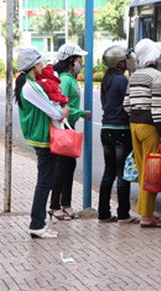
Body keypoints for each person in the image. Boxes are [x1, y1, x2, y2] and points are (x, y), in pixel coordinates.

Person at [14, 47, 70, 239]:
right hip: (43, 138)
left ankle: (39, 223)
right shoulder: (31, 86)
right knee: (45, 182)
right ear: (33, 65)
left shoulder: (30, 84)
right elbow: (53, 111)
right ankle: (36, 224)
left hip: (42, 137)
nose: (43, 66)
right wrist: (63, 112)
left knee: (45, 181)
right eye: (40, 63)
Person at [123, 38, 161, 228]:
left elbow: (126, 104)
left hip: (134, 126)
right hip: (151, 128)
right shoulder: (157, 77)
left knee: (144, 170)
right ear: (155, 58)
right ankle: (146, 216)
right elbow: (158, 108)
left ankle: (146, 213)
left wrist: (137, 117)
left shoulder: (135, 76)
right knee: (152, 173)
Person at [48, 43, 91, 221]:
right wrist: (82, 113)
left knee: (69, 166)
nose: (81, 63)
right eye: (78, 59)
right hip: (63, 127)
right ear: (71, 61)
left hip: (69, 127)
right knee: (61, 167)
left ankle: (66, 204)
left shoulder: (71, 79)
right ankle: (54, 206)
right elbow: (60, 105)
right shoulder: (65, 80)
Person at [98, 45, 137, 224]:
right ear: (120, 62)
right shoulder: (121, 80)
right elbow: (130, 104)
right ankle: (123, 214)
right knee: (123, 173)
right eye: (126, 60)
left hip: (106, 129)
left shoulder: (106, 80)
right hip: (121, 130)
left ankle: (103, 212)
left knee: (109, 173)